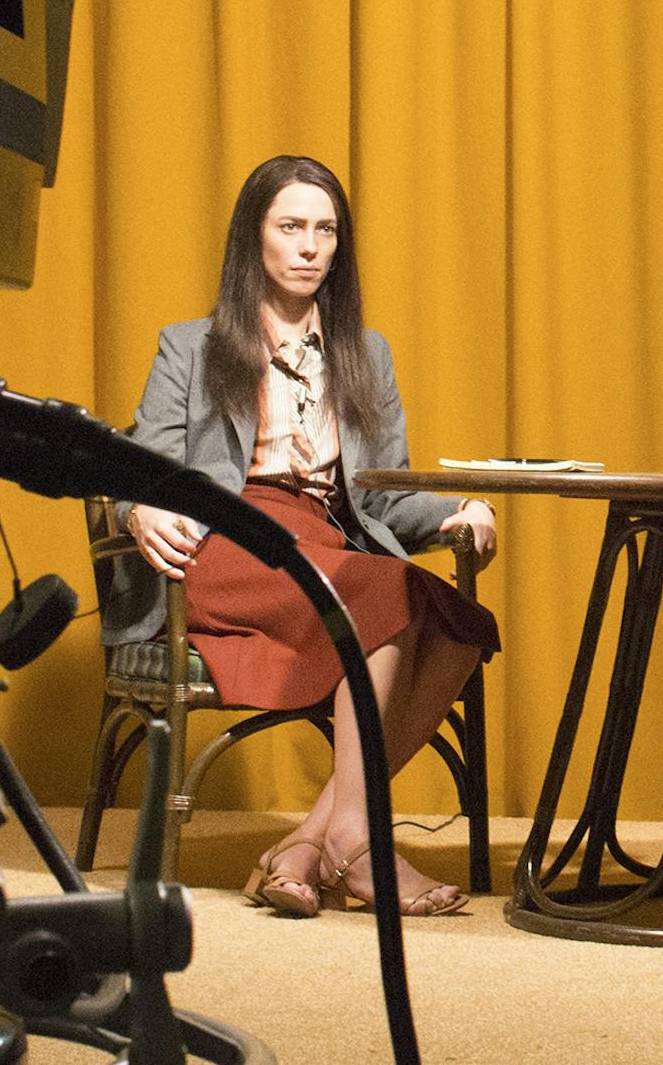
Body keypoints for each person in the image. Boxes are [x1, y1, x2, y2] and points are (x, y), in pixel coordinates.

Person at [119, 154, 500, 918]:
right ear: (253, 238)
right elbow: (142, 462)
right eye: (291, 226)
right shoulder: (189, 346)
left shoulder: (366, 353)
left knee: (462, 626)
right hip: (229, 541)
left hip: (325, 543)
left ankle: (308, 844)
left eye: (325, 230)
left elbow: (384, 498)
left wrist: (461, 511)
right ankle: (362, 848)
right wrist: (137, 507)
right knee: (386, 593)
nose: (309, 246)